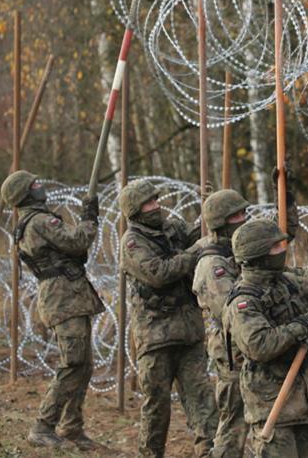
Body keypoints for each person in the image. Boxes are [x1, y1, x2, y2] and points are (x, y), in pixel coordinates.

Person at [223, 217, 308, 458]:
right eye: (275, 247)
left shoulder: (288, 280)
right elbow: (259, 345)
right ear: (259, 255)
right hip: (274, 407)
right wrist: (303, 325)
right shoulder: (243, 301)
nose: (282, 249)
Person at [192, 167, 298, 457]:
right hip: (234, 353)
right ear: (219, 223)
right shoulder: (212, 264)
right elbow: (230, 310)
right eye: (236, 216)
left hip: (259, 345)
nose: (243, 219)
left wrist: (285, 197)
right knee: (234, 426)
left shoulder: (244, 247)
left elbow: (279, 236)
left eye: (243, 213)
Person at [0, 170, 104, 450]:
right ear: (25, 194)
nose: (40, 185)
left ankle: (72, 427)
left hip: (66, 296)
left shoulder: (32, 221)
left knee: (83, 365)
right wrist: (89, 217)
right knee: (73, 362)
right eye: (34, 184)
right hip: (64, 298)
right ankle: (43, 427)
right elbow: (77, 242)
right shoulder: (41, 221)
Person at [119, 179, 218, 457]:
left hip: (189, 333)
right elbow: (159, 273)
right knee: (157, 405)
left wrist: (210, 209)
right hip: (156, 337)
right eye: (148, 203)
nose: (156, 206)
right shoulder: (132, 243)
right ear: (135, 211)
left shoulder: (172, 228)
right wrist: (193, 253)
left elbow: (200, 234)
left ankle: (209, 451)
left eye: (156, 200)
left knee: (202, 399)